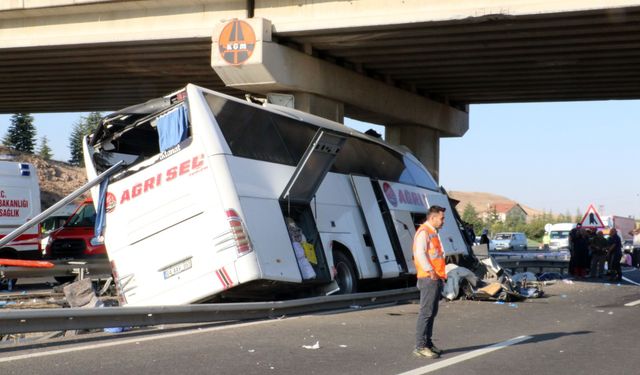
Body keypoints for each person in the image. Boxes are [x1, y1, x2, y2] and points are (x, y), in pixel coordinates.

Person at [412, 205, 447, 359]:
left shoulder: (433, 232)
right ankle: (420, 346)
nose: (443, 221)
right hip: (429, 278)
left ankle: (428, 343)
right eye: (442, 218)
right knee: (426, 313)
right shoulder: (424, 232)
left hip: (435, 277)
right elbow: (419, 253)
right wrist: (430, 271)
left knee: (431, 313)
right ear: (432, 218)